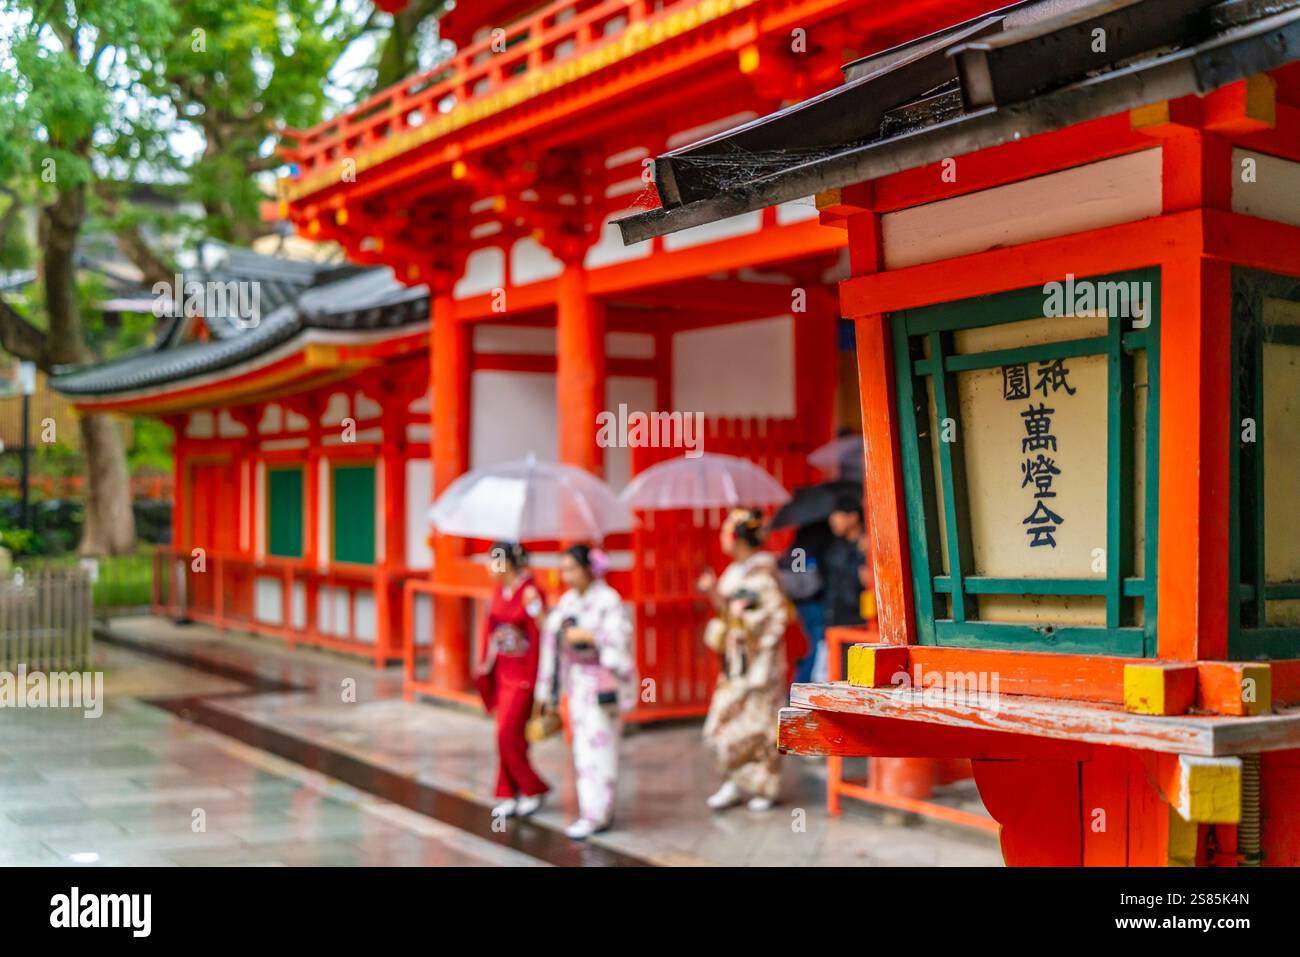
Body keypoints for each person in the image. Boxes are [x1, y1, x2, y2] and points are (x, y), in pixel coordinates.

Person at [535, 544, 636, 840]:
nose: (566, 576)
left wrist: (590, 636)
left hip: (602, 681)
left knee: (600, 748)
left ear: (588, 569)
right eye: (563, 569)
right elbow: (553, 637)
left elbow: (620, 639)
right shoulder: (568, 601)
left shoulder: (608, 599)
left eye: (571, 569)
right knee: (582, 748)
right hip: (578, 684)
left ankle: (597, 814)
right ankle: (593, 810)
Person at [697, 508, 789, 812]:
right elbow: (727, 611)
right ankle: (734, 782)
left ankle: (764, 786)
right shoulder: (734, 572)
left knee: (760, 726)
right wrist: (715, 594)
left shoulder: (763, 572)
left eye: (726, 531)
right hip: (737, 662)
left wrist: (749, 624)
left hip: (761, 664)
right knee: (724, 724)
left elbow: (778, 617)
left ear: (737, 537)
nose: (723, 537)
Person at [478, 541, 549, 818]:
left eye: (492, 561)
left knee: (507, 733)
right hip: (503, 671)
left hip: (524, 674)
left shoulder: (531, 593)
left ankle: (533, 788)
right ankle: (509, 791)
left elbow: (540, 634)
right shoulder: (499, 592)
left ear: (505, 563)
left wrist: (538, 680)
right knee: (508, 735)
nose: (488, 567)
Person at [817, 496, 869, 682]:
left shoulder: (868, 547)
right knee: (826, 678)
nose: (833, 519)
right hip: (834, 619)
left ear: (853, 517)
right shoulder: (834, 548)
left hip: (860, 623)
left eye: (838, 514)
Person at [778, 519, 835, 685]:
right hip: (815, 600)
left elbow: (796, 565)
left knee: (814, 645)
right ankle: (801, 686)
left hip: (800, 601)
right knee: (819, 646)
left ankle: (801, 683)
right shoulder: (822, 532)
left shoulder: (801, 535)